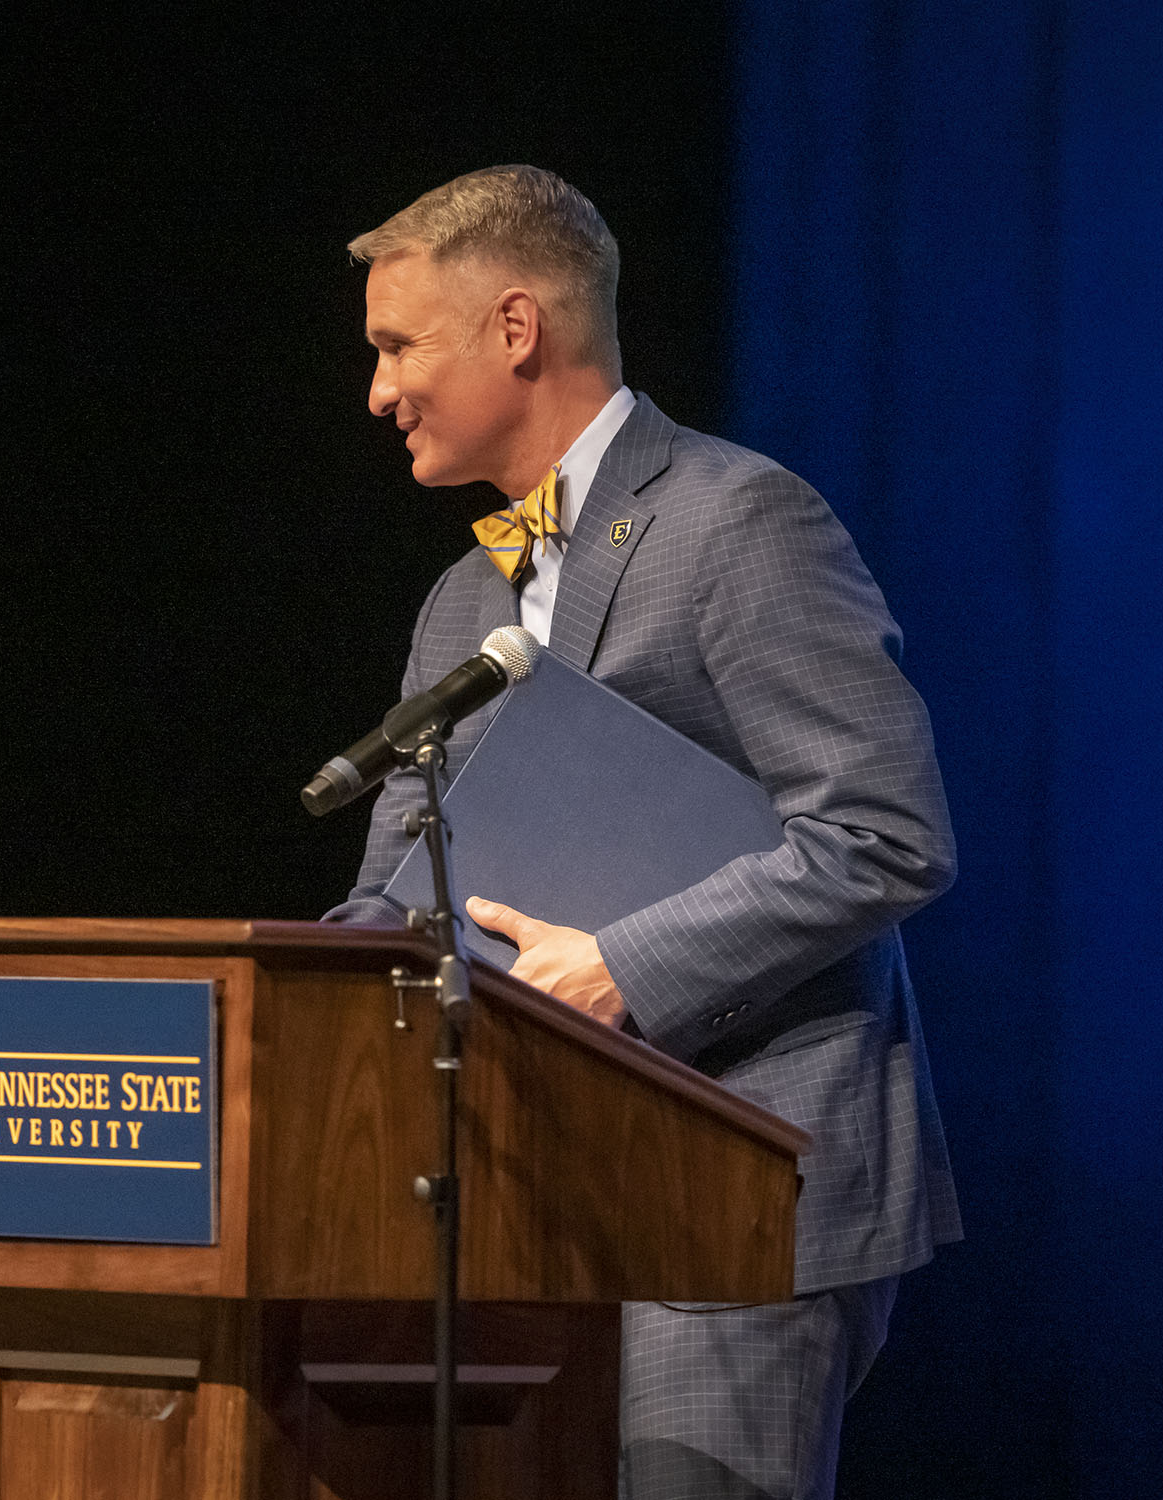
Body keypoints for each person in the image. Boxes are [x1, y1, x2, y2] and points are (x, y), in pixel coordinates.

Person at [327, 166, 960, 1499]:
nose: (376, 391)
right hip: (524, 1201)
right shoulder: (461, 599)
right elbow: (395, 888)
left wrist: (620, 965)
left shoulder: (738, 522)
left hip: (731, 1187)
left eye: (396, 346)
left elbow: (885, 832)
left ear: (515, 328)